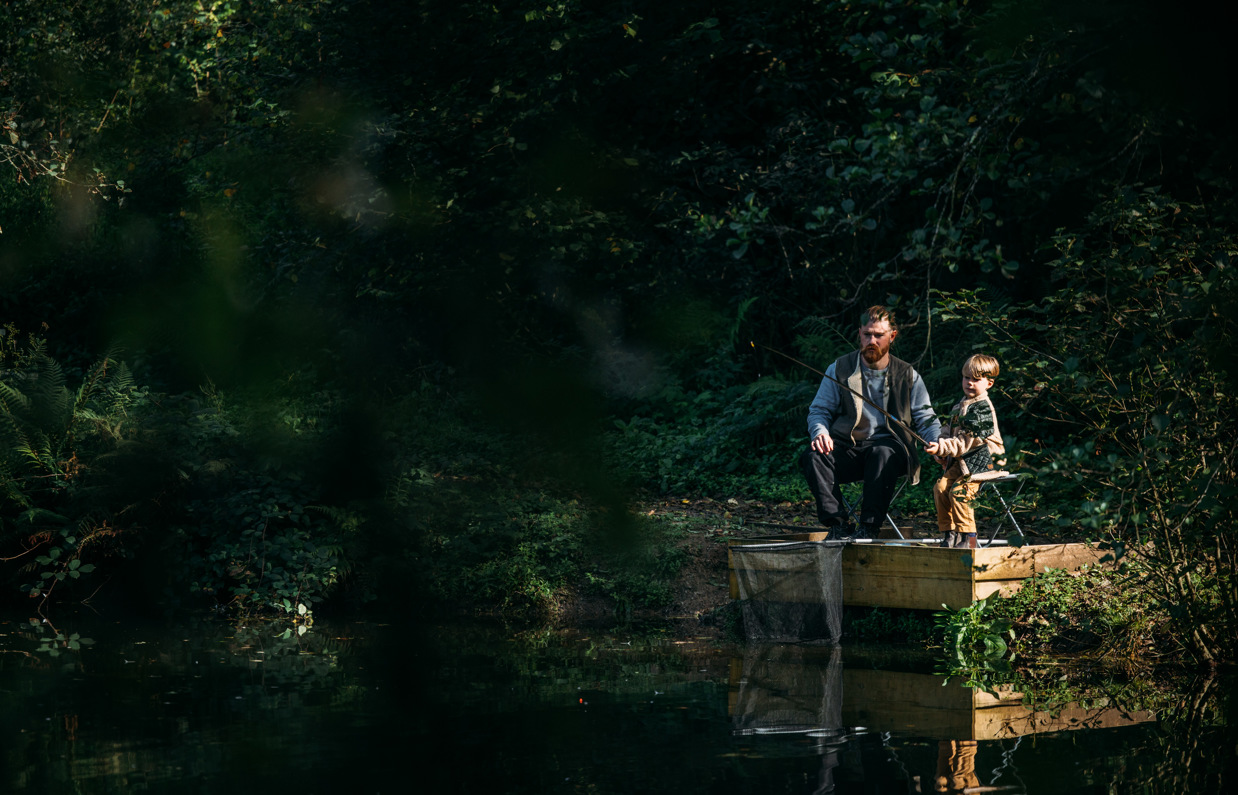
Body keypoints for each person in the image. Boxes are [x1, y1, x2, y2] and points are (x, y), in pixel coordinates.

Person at [800, 306, 940, 539]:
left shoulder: (908, 374)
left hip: (889, 450)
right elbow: (819, 410)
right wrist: (820, 432)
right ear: (859, 334)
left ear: (892, 336)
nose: (871, 340)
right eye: (867, 334)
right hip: (849, 447)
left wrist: (937, 444)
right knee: (813, 456)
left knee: (881, 452)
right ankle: (838, 526)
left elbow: (926, 417)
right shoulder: (839, 368)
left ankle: (869, 528)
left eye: (879, 335)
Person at [924, 354, 1006, 548]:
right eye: (966, 377)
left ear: (989, 383)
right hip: (964, 461)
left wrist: (944, 448)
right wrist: (940, 450)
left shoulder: (982, 410)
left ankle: (969, 539)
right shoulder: (959, 406)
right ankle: (949, 534)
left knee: (960, 492)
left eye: (976, 379)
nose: (969, 383)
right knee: (941, 488)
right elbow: (946, 432)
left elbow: (964, 442)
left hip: (985, 460)